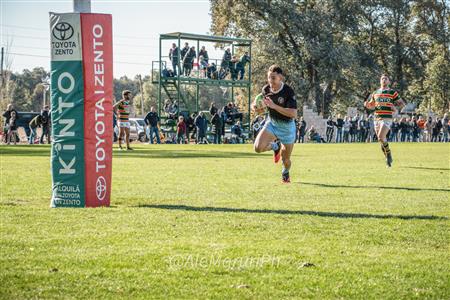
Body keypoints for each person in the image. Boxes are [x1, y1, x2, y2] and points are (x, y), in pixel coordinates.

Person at [253, 65, 297, 183]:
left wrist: (274, 106)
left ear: (280, 78)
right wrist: (257, 108)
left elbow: (293, 114)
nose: (270, 81)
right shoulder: (266, 90)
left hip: (287, 128)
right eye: (269, 78)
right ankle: (275, 146)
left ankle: (285, 172)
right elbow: (263, 109)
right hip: (272, 123)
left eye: (273, 78)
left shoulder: (288, 91)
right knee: (258, 148)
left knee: (286, 160)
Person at [364, 74, 405, 167]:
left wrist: (394, 107)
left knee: (381, 137)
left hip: (387, 118)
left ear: (389, 81)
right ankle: (387, 159)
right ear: (380, 81)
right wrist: (367, 105)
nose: (384, 80)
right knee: (381, 139)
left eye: (386, 79)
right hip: (376, 118)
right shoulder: (375, 93)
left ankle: (389, 154)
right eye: (382, 79)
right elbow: (371, 105)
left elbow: (402, 104)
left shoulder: (392, 92)